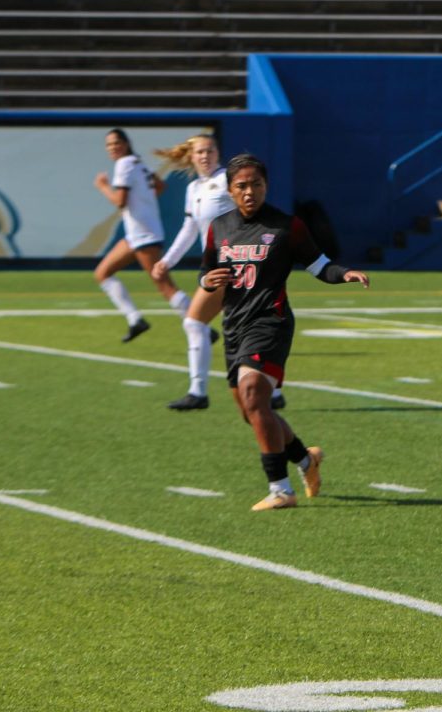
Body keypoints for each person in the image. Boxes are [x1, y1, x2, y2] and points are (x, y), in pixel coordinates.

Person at [199, 153, 369, 511]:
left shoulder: (286, 226)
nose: (249, 192)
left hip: (270, 322)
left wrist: (345, 274)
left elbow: (319, 265)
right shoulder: (219, 227)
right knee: (252, 411)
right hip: (234, 324)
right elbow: (207, 271)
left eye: (256, 184)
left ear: (266, 186)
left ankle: (281, 490)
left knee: (252, 393)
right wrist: (207, 280)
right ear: (229, 190)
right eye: (241, 186)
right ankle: (307, 460)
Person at [150, 134, 285, 412]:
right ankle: (270, 394)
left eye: (210, 150)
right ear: (192, 156)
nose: (205, 155)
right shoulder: (195, 188)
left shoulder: (227, 179)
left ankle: (198, 392)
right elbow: (190, 230)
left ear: (217, 153)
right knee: (236, 328)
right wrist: (167, 260)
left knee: (198, 322)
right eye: (200, 151)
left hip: (237, 265)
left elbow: (254, 209)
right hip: (218, 268)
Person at [93, 128, 191, 342]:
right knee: (103, 273)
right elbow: (160, 185)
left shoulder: (124, 164)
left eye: (116, 143)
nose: (112, 148)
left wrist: (103, 187)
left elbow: (120, 201)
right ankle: (135, 319)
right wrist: (143, 202)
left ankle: (198, 322)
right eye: (108, 145)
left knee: (165, 286)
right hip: (138, 234)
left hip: (144, 235)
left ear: (126, 143)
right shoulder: (137, 162)